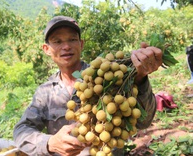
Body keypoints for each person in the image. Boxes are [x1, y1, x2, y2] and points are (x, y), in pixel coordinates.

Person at [13, 15, 163, 156]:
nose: (66, 46)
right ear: (47, 49)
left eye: (72, 39)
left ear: (81, 44)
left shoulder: (109, 76)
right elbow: (21, 131)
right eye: (58, 41)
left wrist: (140, 78)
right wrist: (49, 143)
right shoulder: (45, 92)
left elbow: (144, 121)